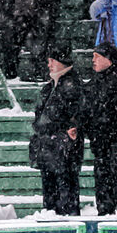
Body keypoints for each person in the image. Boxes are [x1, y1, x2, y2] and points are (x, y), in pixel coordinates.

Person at [80, 41, 117, 215]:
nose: (93, 60)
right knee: (103, 191)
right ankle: (105, 216)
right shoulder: (93, 84)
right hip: (101, 146)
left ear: (109, 59)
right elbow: (86, 112)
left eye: (97, 56)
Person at [29, 42, 83, 216]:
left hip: (62, 150)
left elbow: (75, 116)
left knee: (65, 195)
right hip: (48, 149)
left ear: (62, 61)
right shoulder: (49, 87)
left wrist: (65, 132)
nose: (49, 64)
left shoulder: (72, 86)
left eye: (52, 60)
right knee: (50, 197)